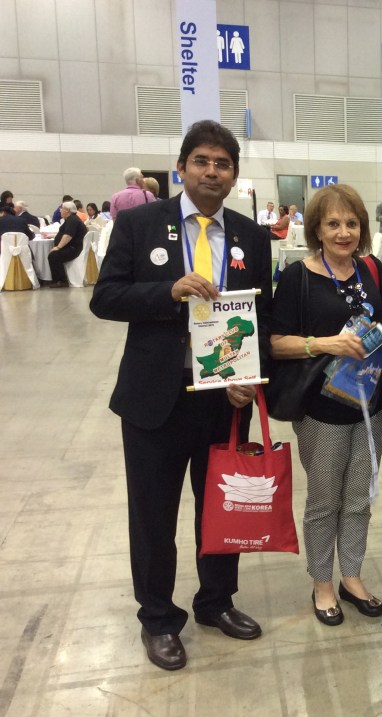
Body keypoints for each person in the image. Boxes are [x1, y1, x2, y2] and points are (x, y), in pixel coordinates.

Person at [89, 120, 273, 672]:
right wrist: (167, 291)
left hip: (224, 397)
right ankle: (158, 618)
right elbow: (106, 298)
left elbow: (261, 316)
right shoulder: (140, 224)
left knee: (221, 506)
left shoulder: (252, 237)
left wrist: (251, 378)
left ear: (234, 175)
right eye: (201, 161)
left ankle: (216, 601)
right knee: (153, 516)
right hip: (155, 397)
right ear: (181, 168)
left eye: (222, 164)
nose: (212, 172)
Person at [270, 184, 382, 626]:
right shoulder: (298, 277)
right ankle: (322, 582)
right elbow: (275, 342)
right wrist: (326, 343)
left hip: (368, 404)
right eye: (333, 224)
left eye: (351, 223)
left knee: (359, 498)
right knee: (324, 501)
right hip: (320, 411)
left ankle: (352, 576)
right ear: (317, 230)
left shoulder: (371, 269)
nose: (344, 233)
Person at [47, 201, 87, 287]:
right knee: (54, 254)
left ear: (67, 210)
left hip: (74, 249)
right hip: (72, 247)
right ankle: (58, 279)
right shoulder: (71, 219)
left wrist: (58, 247)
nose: (60, 210)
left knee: (54, 255)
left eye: (62, 209)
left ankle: (61, 281)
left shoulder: (72, 220)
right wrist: (52, 236)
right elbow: (65, 233)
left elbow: (68, 236)